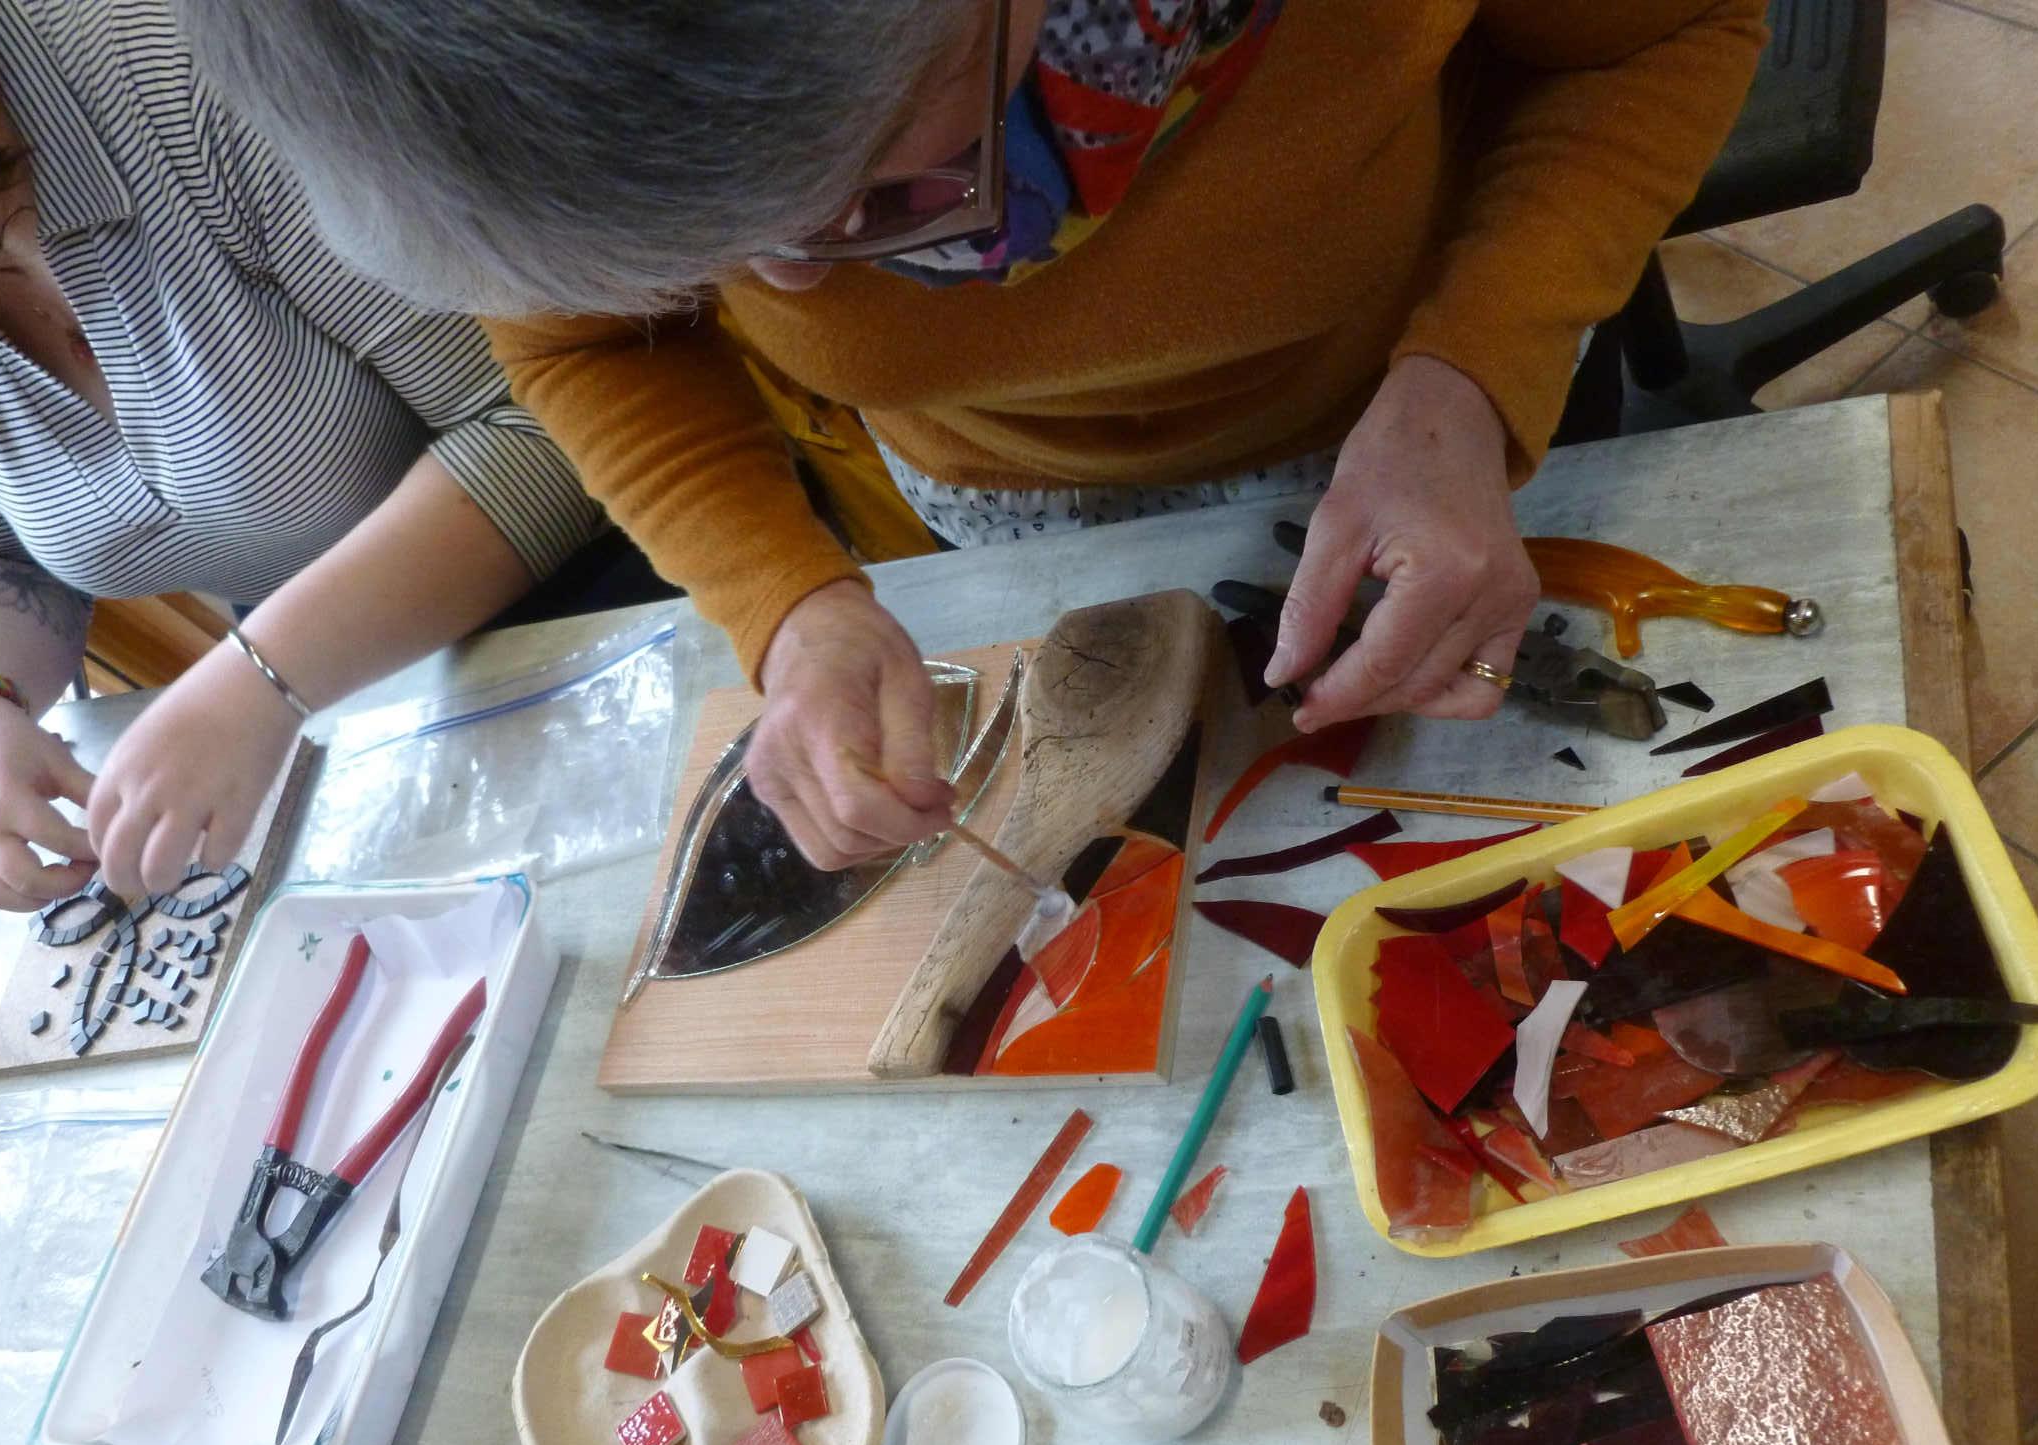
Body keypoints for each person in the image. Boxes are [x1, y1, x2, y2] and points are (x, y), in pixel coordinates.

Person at [179, 0, 1767, 869]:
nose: (787, 281)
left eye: (881, 190)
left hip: (1424, 412)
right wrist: (784, 605)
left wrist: (1473, 378)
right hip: (985, 514)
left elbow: (1662, 33)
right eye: (712, 258)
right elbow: (580, 341)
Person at [0, 0, 603, 913]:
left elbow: (547, 422)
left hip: (604, 603)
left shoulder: (187, 76)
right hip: (332, 679)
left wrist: (259, 679)